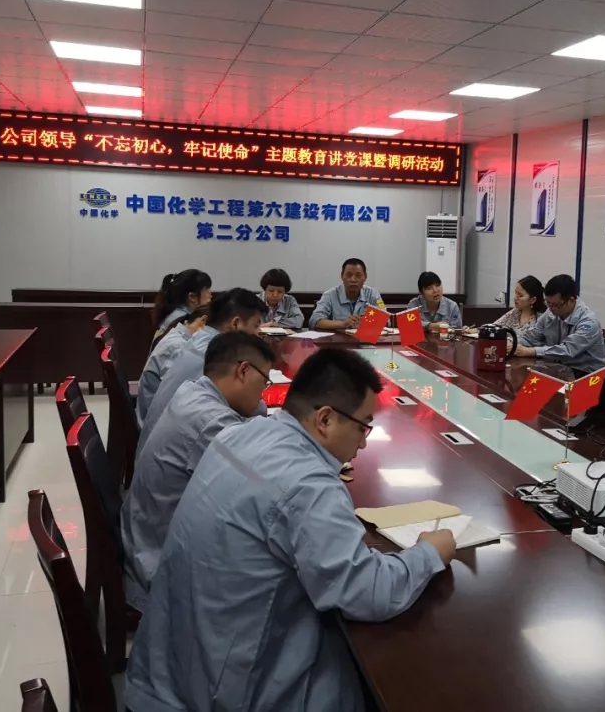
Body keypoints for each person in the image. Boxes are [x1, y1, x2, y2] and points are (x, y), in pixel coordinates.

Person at [125, 347, 456, 712]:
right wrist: (429, 553)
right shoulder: (308, 485)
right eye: (363, 426)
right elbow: (364, 592)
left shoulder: (242, 433)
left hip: (170, 664)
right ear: (325, 419)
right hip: (220, 690)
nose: (364, 441)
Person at [122, 331, 276, 611]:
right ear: (243, 371)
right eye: (264, 381)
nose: (263, 392)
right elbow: (268, 485)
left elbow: (252, 417)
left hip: (147, 539)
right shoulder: (212, 423)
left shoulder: (192, 390)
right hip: (161, 567)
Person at [138, 288, 266, 451]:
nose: (257, 334)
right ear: (235, 324)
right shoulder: (214, 357)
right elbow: (254, 409)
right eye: (256, 326)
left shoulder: (198, 341)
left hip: (158, 444)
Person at [514, 274, 605, 375]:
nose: (551, 308)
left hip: (586, 375)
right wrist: (513, 345)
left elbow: (567, 350)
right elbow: (531, 337)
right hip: (558, 369)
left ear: (571, 300)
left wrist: (531, 351)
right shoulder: (551, 312)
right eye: (548, 303)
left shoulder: (588, 322)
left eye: (555, 305)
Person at [136, 305, 208, 423]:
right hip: (154, 424)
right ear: (203, 322)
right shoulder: (178, 347)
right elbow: (181, 402)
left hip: (158, 418)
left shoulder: (181, 336)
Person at [308, 258, 385, 331]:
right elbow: (314, 320)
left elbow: (385, 318)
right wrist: (343, 324)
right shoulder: (329, 295)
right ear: (342, 276)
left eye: (358, 275)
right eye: (349, 275)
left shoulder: (373, 294)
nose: (353, 279)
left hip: (366, 339)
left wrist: (368, 321)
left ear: (365, 277)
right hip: (337, 339)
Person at [152, 269, 212, 340]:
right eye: (206, 290)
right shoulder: (182, 320)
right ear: (192, 296)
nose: (210, 294)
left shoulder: (180, 313)